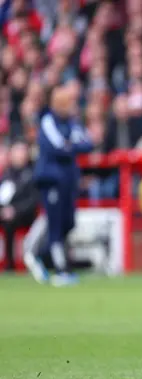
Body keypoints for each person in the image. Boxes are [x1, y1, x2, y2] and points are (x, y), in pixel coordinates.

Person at [24, 83, 94, 286]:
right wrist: (73, 146)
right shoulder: (48, 121)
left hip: (68, 181)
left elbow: (87, 143)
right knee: (54, 224)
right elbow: (58, 147)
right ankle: (61, 269)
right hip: (51, 180)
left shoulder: (72, 123)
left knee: (68, 223)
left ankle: (42, 256)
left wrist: (71, 146)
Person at [0, 142, 38, 271]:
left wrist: (15, 210)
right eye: (17, 151)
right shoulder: (6, 174)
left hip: (25, 214)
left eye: (22, 151)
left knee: (10, 223)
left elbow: (33, 200)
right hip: (6, 212)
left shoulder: (31, 173)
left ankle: (9, 264)